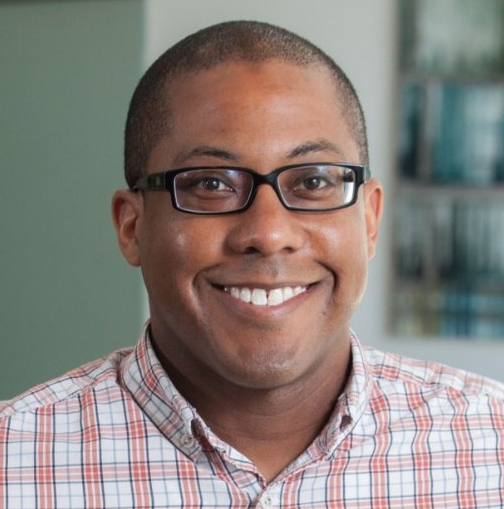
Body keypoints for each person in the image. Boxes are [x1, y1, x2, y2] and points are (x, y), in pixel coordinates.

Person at [1, 20, 503, 509]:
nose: (268, 234)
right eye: (211, 184)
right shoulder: (12, 463)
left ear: (369, 220)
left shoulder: (493, 442)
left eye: (312, 182)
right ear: (132, 227)